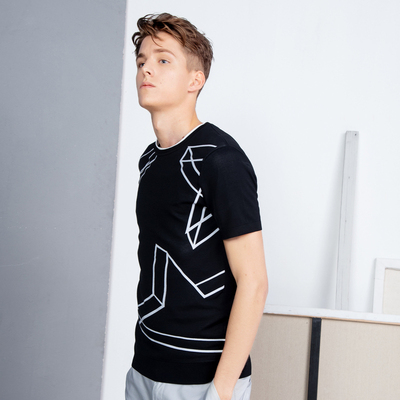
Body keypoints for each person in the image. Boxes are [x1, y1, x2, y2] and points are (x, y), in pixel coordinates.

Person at [126, 13, 268, 400]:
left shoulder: (220, 159)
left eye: (163, 60)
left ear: (195, 80)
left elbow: (254, 282)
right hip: (144, 370)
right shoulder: (150, 160)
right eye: (141, 61)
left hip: (202, 382)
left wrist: (221, 390)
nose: (146, 69)